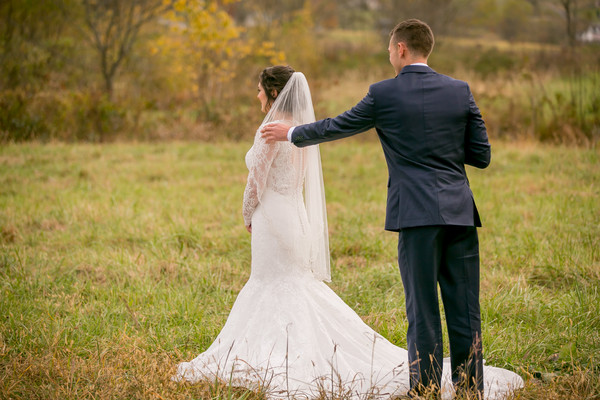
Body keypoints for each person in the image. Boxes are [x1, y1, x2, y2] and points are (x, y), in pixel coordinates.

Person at [260, 20, 523, 399]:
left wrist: (292, 133)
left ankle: (427, 390)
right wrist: (443, 150)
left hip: (415, 216)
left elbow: (339, 126)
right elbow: (481, 156)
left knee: (423, 309)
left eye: (388, 49)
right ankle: (470, 390)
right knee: (465, 308)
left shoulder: (384, 94)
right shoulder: (460, 90)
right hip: (459, 212)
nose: (388, 55)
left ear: (401, 48)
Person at [173, 65, 413, 399]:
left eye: (259, 89)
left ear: (273, 92)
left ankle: (282, 357)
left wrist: (247, 214)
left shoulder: (270, 130)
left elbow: (257, 178)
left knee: (271, 284)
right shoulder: (298, 130)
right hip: (295, 214)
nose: (256, 94)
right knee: (295, 284)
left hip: (272, 217)